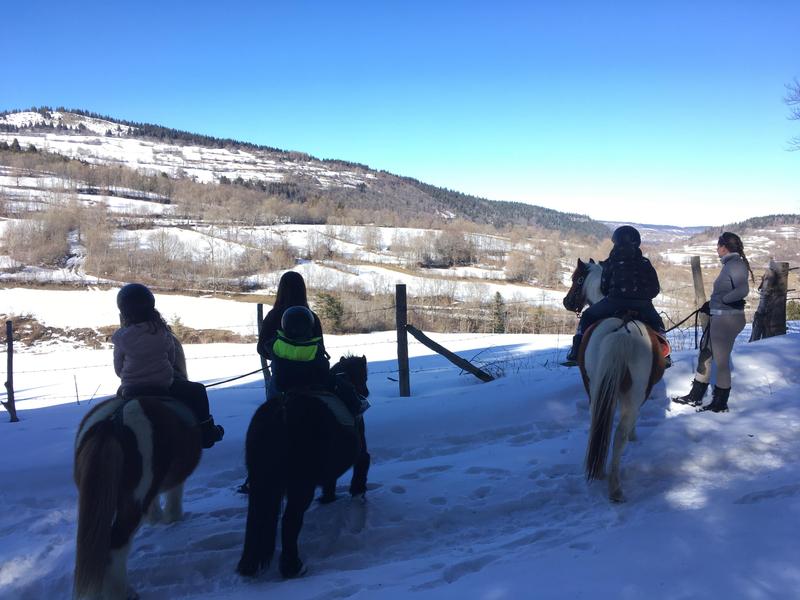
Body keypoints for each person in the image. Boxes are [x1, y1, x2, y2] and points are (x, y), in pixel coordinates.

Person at [112, 283, 224, 448]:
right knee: (198, 390)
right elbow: (171, 360)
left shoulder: (120, 338)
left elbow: (118, 369)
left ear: (123, 312)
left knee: (114, 408)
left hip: (131, 390)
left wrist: (132, 376)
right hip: (163, 386)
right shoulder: (162, 332)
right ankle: (207, 432)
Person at [673, 232, 753, 412]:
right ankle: (696, 395)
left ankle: (720, 403)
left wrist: (723, 301)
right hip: (721, 317)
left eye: (718, 246)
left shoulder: (735, 264)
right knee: (706, 353)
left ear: (724, 247)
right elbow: (728, 290)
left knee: (721, 362)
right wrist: (712, 304)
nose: (716, 249)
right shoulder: (731, 264)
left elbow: (742, 290)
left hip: (727, 319)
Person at [565, 225, 666, 365]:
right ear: (637, 243)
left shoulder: (611, 262)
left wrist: (615, 294)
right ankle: (664, 355)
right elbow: (655, 289)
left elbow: (604, 287)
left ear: (616, 242)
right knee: (657, 322)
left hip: (614, 302)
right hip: (643, 305)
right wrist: (643, 297)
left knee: (587, 315)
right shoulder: (645, 263)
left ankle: (576, 351)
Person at [257, 271, 329, 399]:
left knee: (274, 409)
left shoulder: (273, 316)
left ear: (281, 290)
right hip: (312, 381)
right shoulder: (312, 317)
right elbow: (320, 348)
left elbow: (261, 348)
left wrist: (279, 355)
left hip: (281, 381)